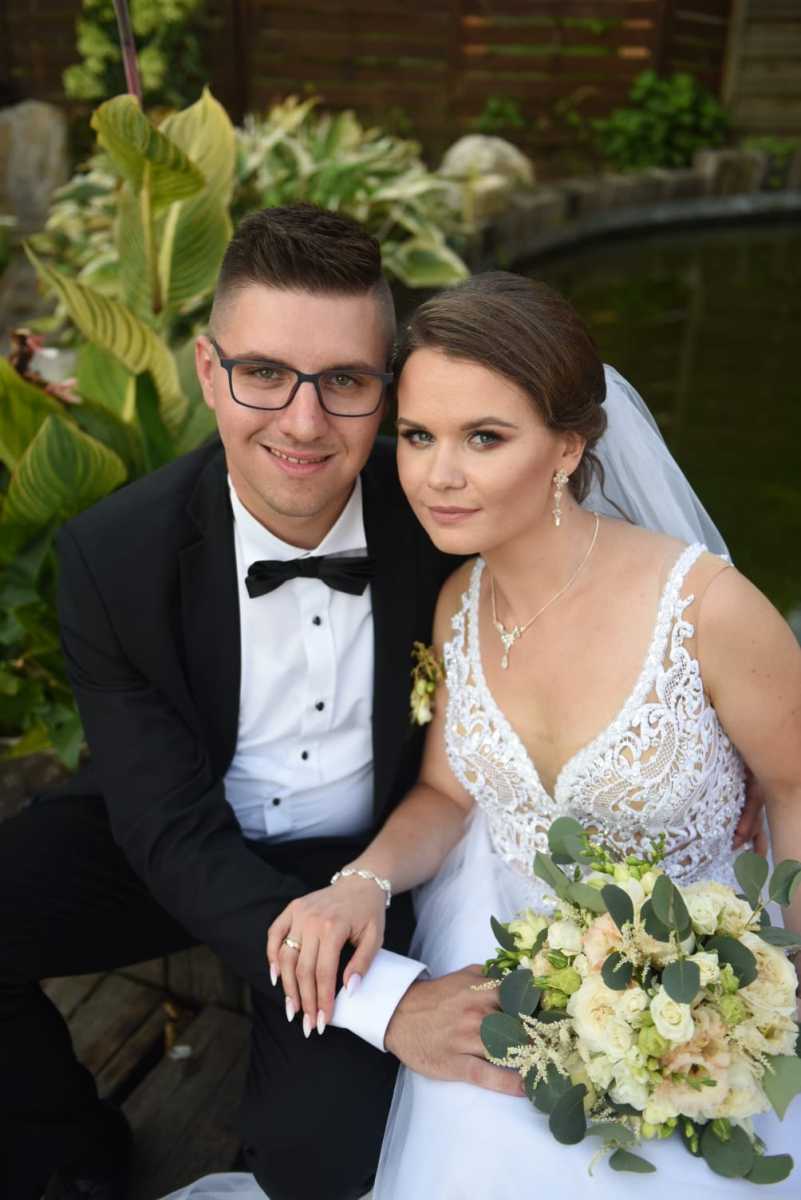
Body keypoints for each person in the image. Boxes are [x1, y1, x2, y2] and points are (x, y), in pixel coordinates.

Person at [233, 272, 800, 1199]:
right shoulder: (459, 603)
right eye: (419, 436)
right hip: (509, 983)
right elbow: (446, 793)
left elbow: (793, 787)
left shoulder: (705, 609)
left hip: (705, 993)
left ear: (567, 447)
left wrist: (783, 982)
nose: (437, 475)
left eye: (484, 438)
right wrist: (360, 883)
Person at [0, 204, 459, 1200]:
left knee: (318, 1167)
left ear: (386, 390)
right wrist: (385, 1005)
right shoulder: (114, 554)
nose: (302, 422)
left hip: (366, 868)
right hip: (182, 829)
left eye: (344, 381)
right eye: (264, 373)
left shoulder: (443, 522)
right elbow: (166, 829)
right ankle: (74, 1159)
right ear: (210, 372)